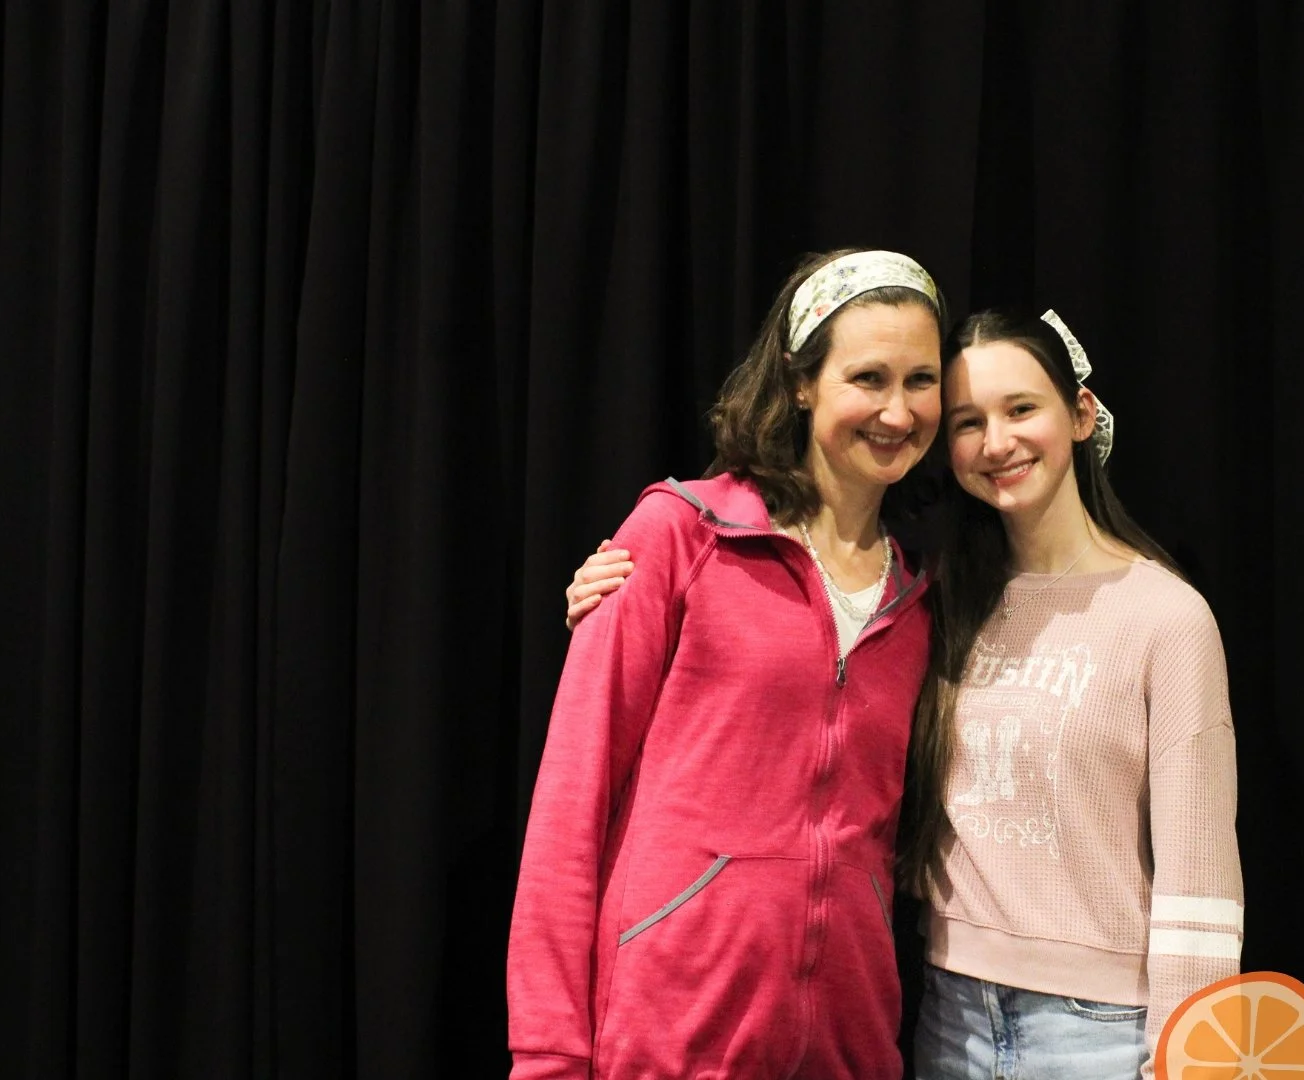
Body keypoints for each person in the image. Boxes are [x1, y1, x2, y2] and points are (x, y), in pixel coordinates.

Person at [566, 308, 1243, 1078]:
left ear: (1082, 414)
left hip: (1099, 1033)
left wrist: (1189, 1059)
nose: (997, 442)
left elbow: (1201, 881)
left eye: (1022, 409)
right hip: (950, 1021)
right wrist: (618, 601)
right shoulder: (936, 599)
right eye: (968, 422)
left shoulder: (1166, 616)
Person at [510, 248, 948, 1080]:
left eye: (920, 380)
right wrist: (548, 1053)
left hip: (848, 1051)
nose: (897, 411)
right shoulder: (681, 535)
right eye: (868, 378)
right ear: (801, 382)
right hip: (671, 1040)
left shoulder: (920, 600)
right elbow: (572, 800)